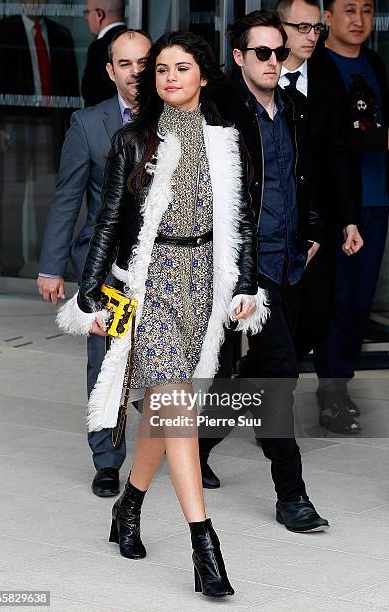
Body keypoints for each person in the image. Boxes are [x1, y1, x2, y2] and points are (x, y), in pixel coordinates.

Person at [57, 30, 269, 598]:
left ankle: (130, 504)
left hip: (205, 283)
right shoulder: (133, 141)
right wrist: (89, 293)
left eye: (181, 68)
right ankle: (205, 543)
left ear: (203, 75)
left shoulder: (228, 140)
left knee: (164, 411)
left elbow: (244, 220)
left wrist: (246, 284)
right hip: (151, 283)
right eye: (160, 70)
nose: (168, 77)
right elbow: (106, 223)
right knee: (175, 409)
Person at [199, 10, 330, 533]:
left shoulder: (295, 108)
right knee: (278, 373)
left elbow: (305, 177)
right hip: (246, 268)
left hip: (292, 259)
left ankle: (199, 439)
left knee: (259, 374)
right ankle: (291, 494)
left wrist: (315, 225)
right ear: (239, 57)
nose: (275, 61)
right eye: (263, 53)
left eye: (280, 52)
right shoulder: (220, 112)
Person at [38, 30, 152, 497]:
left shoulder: (180, 118)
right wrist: (51, 267)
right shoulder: (87, 124)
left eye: (144, 62)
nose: (136, 72)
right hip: (106, 267)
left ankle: (188, 450)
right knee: (106, 360)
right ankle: (107, 459)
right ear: (110, 71)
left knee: (171, 358)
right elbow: (67, 198)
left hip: (165, 263)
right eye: (125, 64)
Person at [276, 0, 364, 433]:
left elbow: (338, 152)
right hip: (271, 220)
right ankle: (272, 415)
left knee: (317, 311)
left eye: (317, 27)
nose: (313, 35)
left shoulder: (326, 75)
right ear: (281, 28)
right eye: (303, 27)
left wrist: (348, 219)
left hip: (319, 220)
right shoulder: (257, 72)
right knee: (274, 321)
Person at [312, 0, 389, 430]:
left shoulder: (375, 61)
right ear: (328, 18)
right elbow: (333, 139)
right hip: (337, 204)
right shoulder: (318, 65)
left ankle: (342, 380)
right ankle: (331, 388)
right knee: (336, 299)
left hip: (375, 198)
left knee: (361, 300)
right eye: (348, 10)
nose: (358, 20)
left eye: (366, 10)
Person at [0, 0, 79, 276]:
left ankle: (51, 263)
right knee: (13, 195)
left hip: (51, 124)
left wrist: (71, 129)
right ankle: (9, 264)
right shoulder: (2, 30)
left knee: (48, 197)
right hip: (15, 124)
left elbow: (71, 87)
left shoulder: (60, 34)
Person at [82, 0, 127, 107]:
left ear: (99, 14)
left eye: (87, 12)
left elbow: (91, 95)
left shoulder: (99, 48)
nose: (86, 18)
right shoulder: (135, 42)